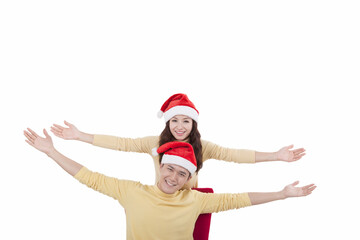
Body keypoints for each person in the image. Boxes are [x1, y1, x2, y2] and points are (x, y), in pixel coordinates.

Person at [24, 128, 316, 240]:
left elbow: (239, 198)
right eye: (170, 170)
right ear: (160, 166)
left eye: (182, 174)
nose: (173, 178)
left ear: (190, 178)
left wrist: (282, 193)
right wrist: (54, 151)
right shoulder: (131, 191)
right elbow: (89, 175)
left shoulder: (197, 199)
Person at [50, 93, 306, 189]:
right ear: (168, 123)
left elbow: (235, 154)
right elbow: (122, 143)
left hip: (192, 200)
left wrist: (275, 155)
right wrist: (80, 136)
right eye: (174, 121)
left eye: (186, 121)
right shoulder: (153, 143)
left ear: (193, 124)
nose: (180, 126)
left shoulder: (203, 147)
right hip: (161, 196)